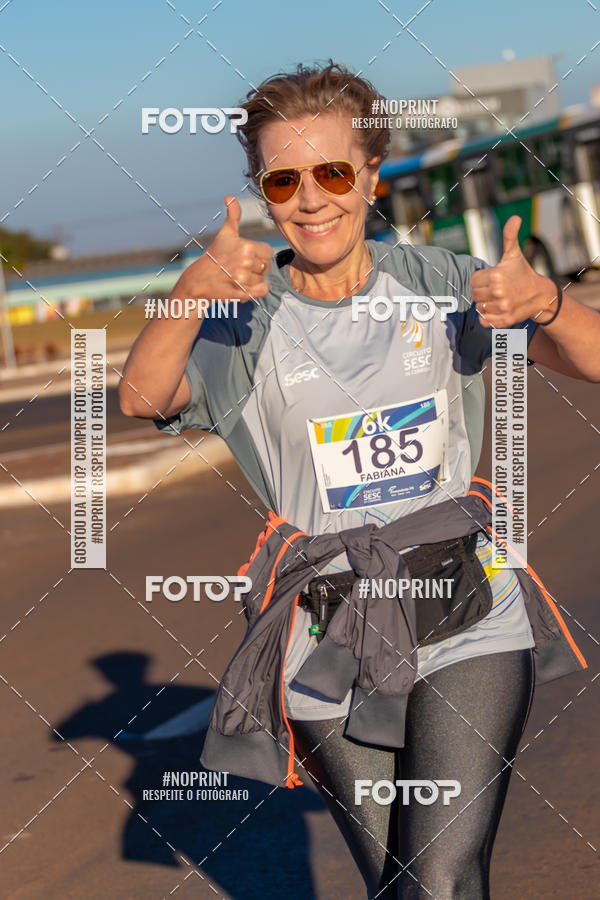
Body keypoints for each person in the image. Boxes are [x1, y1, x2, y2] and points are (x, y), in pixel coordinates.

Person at [119, 62, 600, 899]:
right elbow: (140, 396)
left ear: (371, 175)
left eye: (333, 171)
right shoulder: (244, 320)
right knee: (399, 882)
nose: (311, 199)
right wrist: (191, 290)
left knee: (443, 876)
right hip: (323, 637)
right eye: (285, 178)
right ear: (263, 192)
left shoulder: (444, 285)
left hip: (466, 610)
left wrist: (549, 303)